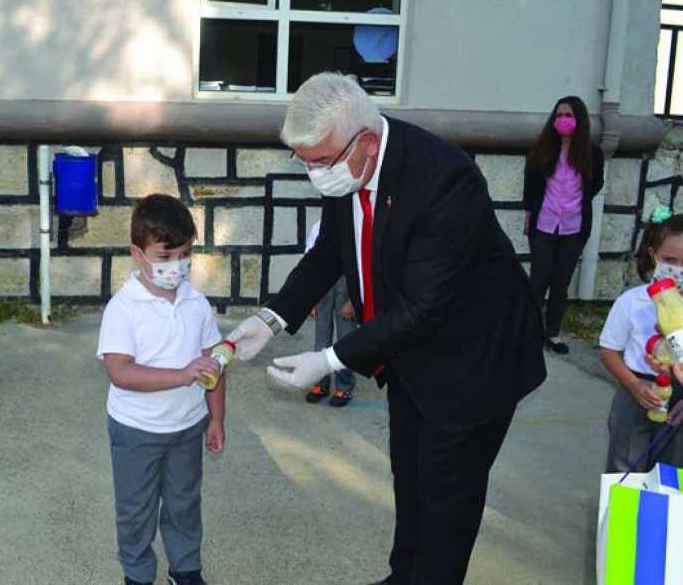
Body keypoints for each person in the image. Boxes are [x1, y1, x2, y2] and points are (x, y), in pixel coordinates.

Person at [226, 72, 546, 585]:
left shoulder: (446, 179)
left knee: (447, 500)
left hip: (474, 363)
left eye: (320, 162)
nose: (314, 175)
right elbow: (330, 249)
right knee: (411, 478)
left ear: (367, 143)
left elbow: (424, 308)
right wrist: (272, 317)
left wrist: (329, 359)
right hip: (408, 355)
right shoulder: (347, 167)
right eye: (303, 162)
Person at [97, 194, 226, 585]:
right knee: (136, 510)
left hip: (188, 427)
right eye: (165, 257)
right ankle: (137, 574)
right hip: (137, 431)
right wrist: (181, 375)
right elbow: (120, 372)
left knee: (185, 503)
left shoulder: (197, 303)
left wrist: (216, 418)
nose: (177, 267)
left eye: (185, 255)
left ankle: (185, 569)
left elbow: (213, 365)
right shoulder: (124, 308)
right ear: (138, 254)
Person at [599, 209, 683, 472]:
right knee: (625, 464)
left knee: (671, 466)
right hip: (635, 389)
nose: (679, 270)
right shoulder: (632, 301)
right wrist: (633, 384)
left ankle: (658, 512)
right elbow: (609, 351)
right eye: (670, 259)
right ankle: (621, 514)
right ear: (653, 254)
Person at [523, 96, 605, 355]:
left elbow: (595, 185)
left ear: (578, 120)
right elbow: (531, 186)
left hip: (573, 227)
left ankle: (552, 333)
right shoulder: (542, 150)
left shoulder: (592, 154)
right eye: (559, 115)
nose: (563, 120)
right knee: (539, 279)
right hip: (544, 225)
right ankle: (529, 332)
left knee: (561, 282)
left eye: (568, 115)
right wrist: (528, 216)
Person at [305, 219, 358, 406]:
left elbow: (362, 265)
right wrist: (311, 299)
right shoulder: (318, 226)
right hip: (323, 286)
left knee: (345, 339)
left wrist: (354, 301)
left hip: (346, 285)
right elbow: (309, 262)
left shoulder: (355, 225)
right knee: (321, 340)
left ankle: (344, 387)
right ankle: (321, 383)